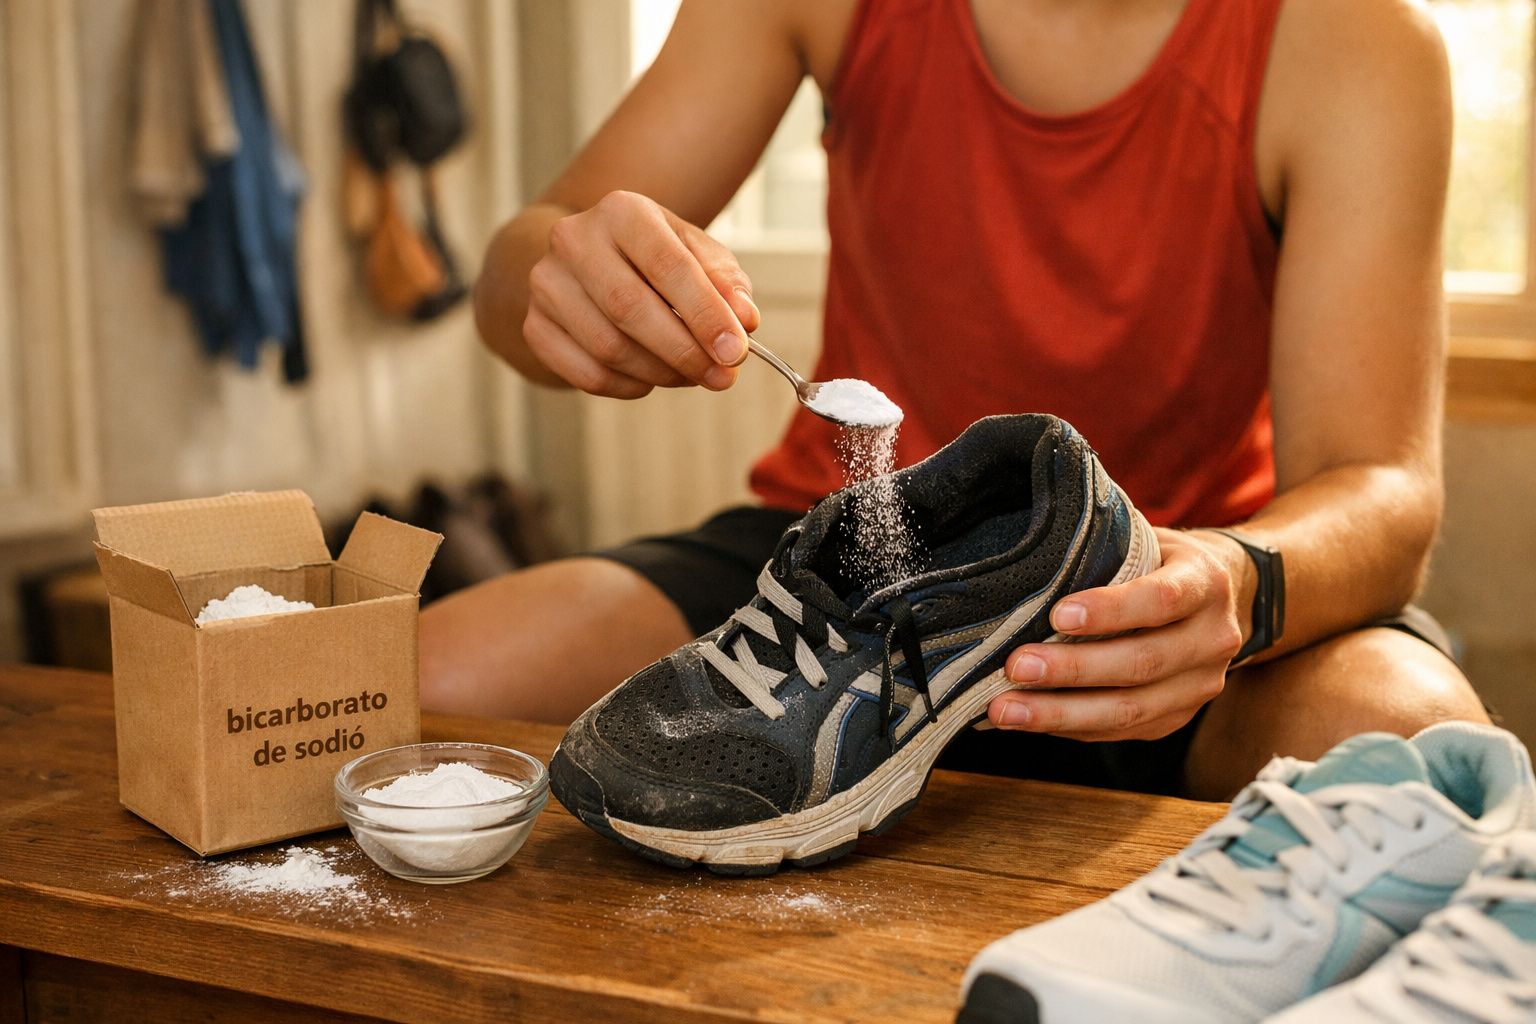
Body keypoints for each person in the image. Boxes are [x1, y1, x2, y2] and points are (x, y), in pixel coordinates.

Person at [422, 0, 1489, 800]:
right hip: (840, 577)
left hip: (1168, 596)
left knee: (1417, 748)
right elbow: (526, 258)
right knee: (407, 680)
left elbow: (1384, 493)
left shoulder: (1358, 42)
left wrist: (1232, 582)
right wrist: (565, 278)